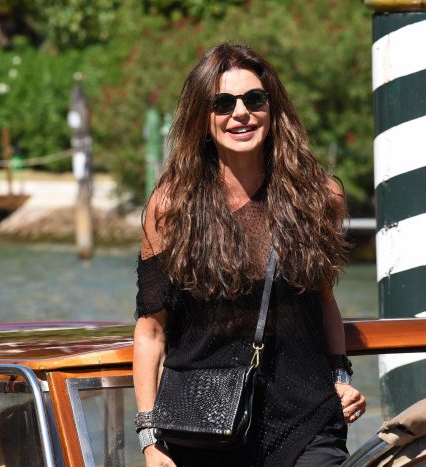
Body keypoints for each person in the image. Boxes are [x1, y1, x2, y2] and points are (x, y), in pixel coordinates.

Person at [133, 42, 366, 467]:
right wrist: (150, 440)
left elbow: (324, 301)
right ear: (202, 119)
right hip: (203, 430)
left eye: (254, 99)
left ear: (272, 109)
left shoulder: (319, 197)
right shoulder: (172, 208)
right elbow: (151, 333)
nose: (240, 113)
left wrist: (340, 375)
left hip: (307, 422)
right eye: (222, 103)